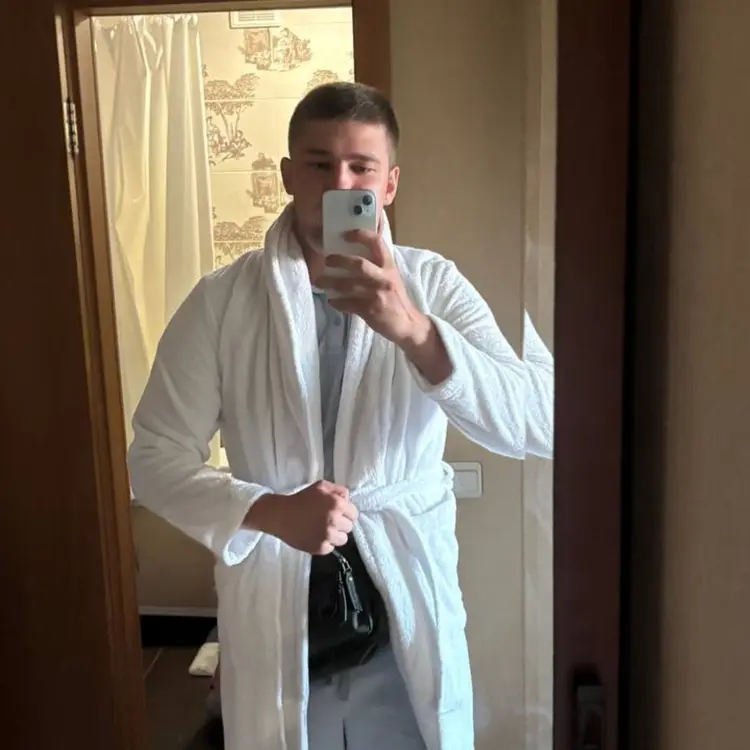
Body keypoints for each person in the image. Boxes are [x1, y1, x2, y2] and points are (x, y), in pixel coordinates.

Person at [128, 82, 553, 750]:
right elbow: (152, 459)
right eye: (319, 164)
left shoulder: (433, 285)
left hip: (402, 610)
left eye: (362, 167)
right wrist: (268, 511)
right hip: (282, 613)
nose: (340, 183)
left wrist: (414, 331)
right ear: (287, 174)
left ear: (390, 184)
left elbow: (541, 420)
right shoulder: (221, 302)